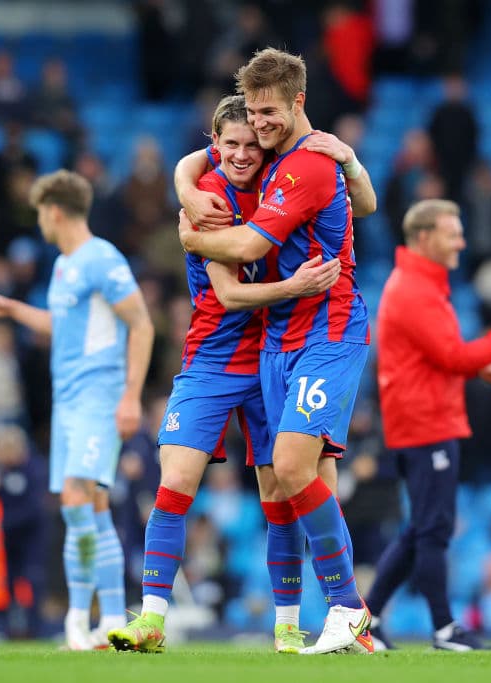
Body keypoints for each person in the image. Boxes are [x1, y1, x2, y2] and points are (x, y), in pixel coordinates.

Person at [107, 94, 370, 654]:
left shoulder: (283, 178)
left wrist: (348, 158)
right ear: (215, 145)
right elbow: (227, 293)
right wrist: (290, 286)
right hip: (212, 356)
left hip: (274, 354)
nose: (243, 153)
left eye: (252, 142)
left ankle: (289, 626)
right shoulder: (207, 198)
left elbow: (359, 203)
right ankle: (152, 619)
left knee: (282, 493)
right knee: (175, 481)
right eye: (231, 144)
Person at [173, 48, 375, 655]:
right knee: (315, 477)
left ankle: (348, 608)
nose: (258, 124)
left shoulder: (304, 165)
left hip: (326, 329)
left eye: (268, 112)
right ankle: (352, 625)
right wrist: (184, 185)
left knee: (289, 467)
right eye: (253, 112)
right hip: (280, 335)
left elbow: (247, 245)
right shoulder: (278, 156)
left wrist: (190, 236)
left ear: (298, 103)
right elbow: (363, 203)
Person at [0, 170, 154, 650]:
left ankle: (76, 619)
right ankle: (112, 619)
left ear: (53, 211)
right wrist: (11, 309)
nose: (40, 223)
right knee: (93, 507)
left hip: (98, 396)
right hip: (67, 402)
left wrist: (131, 395)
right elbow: (63, 324)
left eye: (40, 214)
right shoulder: (65, 265)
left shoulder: (101, 258)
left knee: (75, 501)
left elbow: (141, 323)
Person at [364, 199, 491, 651]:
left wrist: (481, 365)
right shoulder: (415, 289)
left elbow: (439, 352)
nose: (461, 242)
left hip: (424, 420)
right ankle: (445, 629)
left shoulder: (420, 284)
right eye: (452, 233)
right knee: (433, 529)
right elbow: (453, 356)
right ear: (425, 237)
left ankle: (367, 620)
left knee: (421, 528)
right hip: (425, 423)